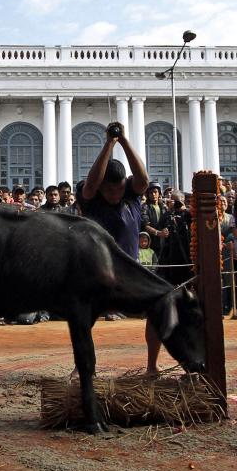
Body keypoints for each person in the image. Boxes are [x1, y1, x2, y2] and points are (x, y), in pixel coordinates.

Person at [75, 122, 159, 368]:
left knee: (157, 306)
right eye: (110, 190)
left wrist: (123, 140)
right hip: (96, 271)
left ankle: (152, 366)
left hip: (128, 270)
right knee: (82, 321)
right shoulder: (90, 198)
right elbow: (91, 184)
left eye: (120, 188)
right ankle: (84, 369)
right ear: (102, 186)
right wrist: (108, 143)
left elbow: (142, 179)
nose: (115, 194)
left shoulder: (131, 195)